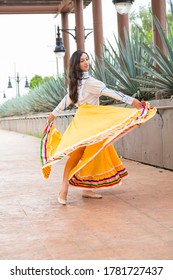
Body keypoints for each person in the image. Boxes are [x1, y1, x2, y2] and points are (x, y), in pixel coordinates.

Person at [44, 50, 156, 205]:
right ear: (76, 64)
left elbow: (110, 92)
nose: (86, 62)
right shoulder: (76, 83)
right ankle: (64, 189)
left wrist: (131, 101)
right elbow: (67, 100)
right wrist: (54, 114)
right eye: (82, 60)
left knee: (90, 154)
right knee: (76, 155)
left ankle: (85, 189)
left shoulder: (91, 82)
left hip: (92, 122)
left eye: (87, 59)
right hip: (83, 122)